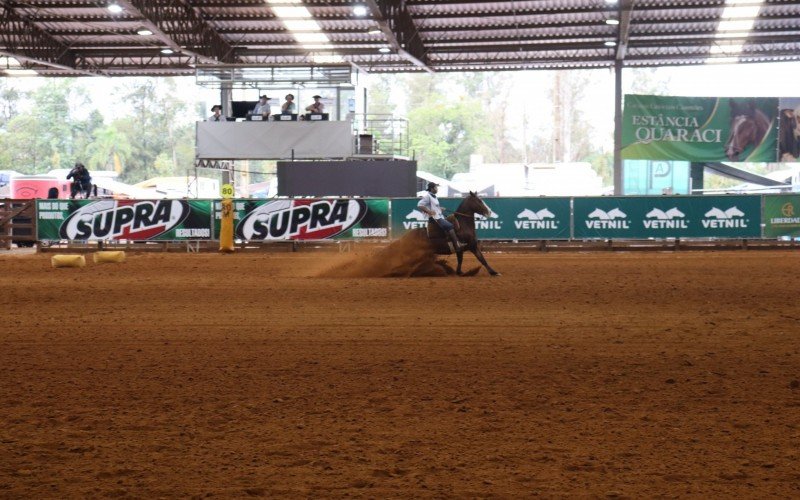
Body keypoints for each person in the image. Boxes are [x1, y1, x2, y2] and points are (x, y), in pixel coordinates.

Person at [417, 182, 466, 251]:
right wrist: (429, 211)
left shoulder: (434, 196)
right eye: (436, 187)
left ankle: (451, 242)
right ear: (432, 188)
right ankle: (457, 245)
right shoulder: (428, 197)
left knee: (452, 219)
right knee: (450, 226)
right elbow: (419, 205)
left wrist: (439, 208)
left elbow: (434, 207)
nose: (437, 189)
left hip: (439, 217)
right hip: (434, 219)